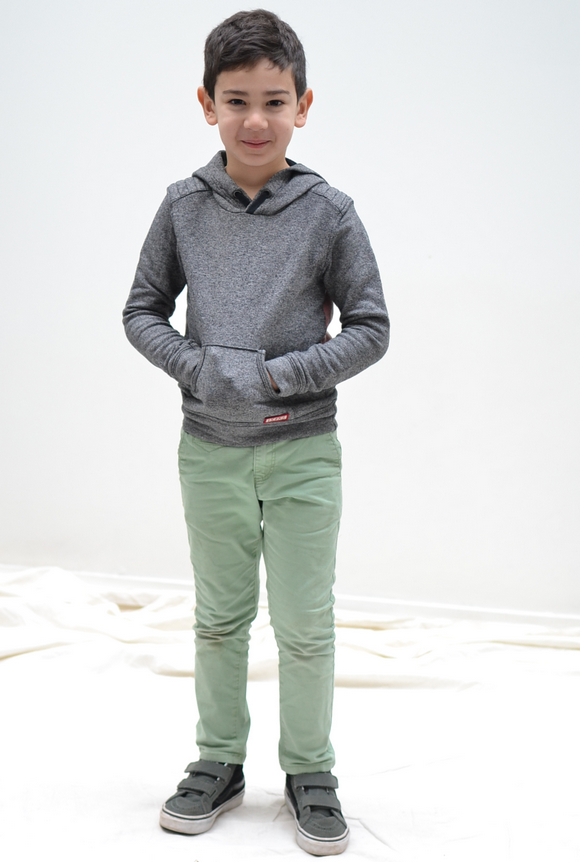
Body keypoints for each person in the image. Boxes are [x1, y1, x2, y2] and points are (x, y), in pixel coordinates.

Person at [123, 9, 389, 856]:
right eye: (236, 100)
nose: (255, 120)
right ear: (207, 103)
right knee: (218, 618)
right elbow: (142, 310)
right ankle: (218, 760)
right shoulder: (182, 206)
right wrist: (200, 369)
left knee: (306, 624)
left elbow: (371, 329)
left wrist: (280, 375)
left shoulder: (330, 213)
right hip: (209, 451)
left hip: (303, 451)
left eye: (275, 101)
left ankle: (310, 769)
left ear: (303, 105)